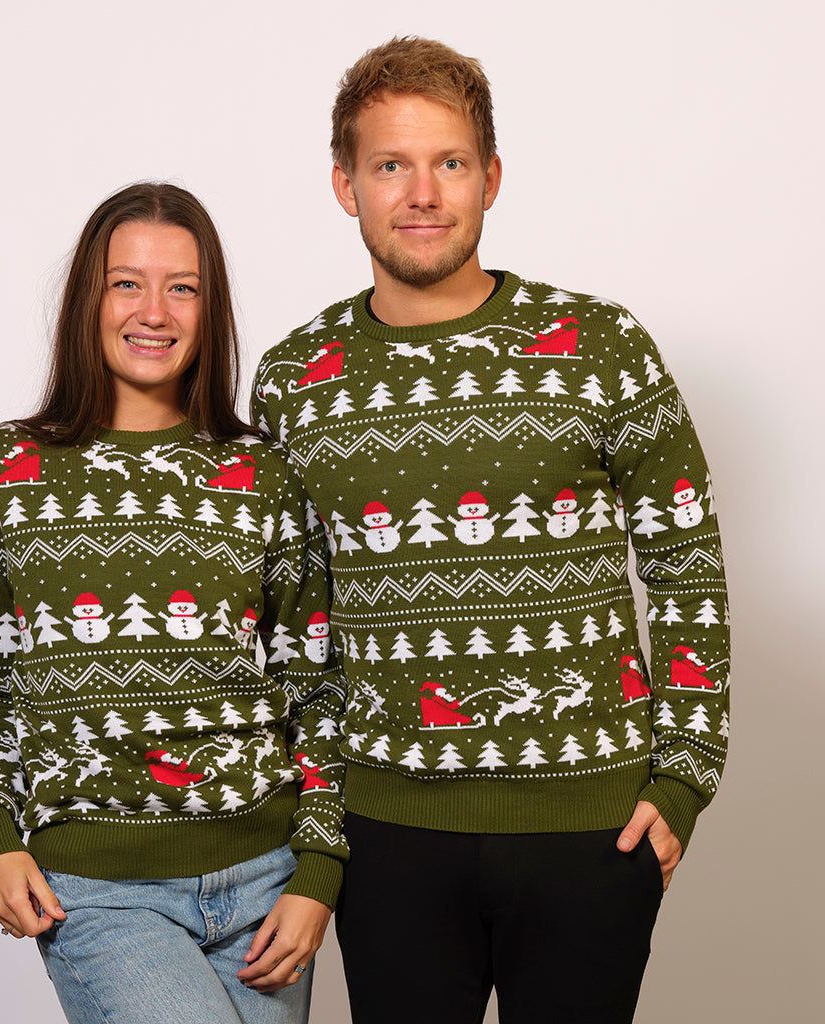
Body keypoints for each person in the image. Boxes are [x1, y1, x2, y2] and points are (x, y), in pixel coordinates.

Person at [251, 38, 729, 1024]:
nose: (420, 192)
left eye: (449, 162)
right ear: (345, 184)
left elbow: (687, 565)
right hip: (384, 833)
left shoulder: (601, 348)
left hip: (591, 825)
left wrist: (683, 777)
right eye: (390, 165)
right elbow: (290, 627)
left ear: (491, 177)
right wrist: (316, 820)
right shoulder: (293, 380)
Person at [0, 182, 347, 1024]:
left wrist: (318, 870)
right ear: (87, 301)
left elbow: (316, 688)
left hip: (264, 883)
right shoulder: (5, 468)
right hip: (99, 890)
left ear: (211, 309)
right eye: (126, 282)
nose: (155, 311)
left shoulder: (264, 474)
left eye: (184, 286)